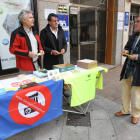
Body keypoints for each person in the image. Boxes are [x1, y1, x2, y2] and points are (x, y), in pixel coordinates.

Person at [115, 16, 140, 124]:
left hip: (138, 72)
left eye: (138, 21)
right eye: (136, 21)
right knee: (125, 91)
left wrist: (138, 57)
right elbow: (128, 46)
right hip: (128, 68)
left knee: (137, 94)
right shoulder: (134, 36)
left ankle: (136, 114)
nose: (135, 23)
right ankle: (125, 110)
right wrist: (126, 50)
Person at [9, 9, 44, 74]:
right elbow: (12, 49)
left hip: (37, 64)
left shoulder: (34, 31)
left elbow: (38, 43)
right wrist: (27, 53)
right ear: (24, 20)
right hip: (25, 67)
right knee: (29, 84)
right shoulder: (16, 33)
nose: (33, 19)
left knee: (38, 83)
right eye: (30, 18)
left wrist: (41, 49)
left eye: (33, 17)